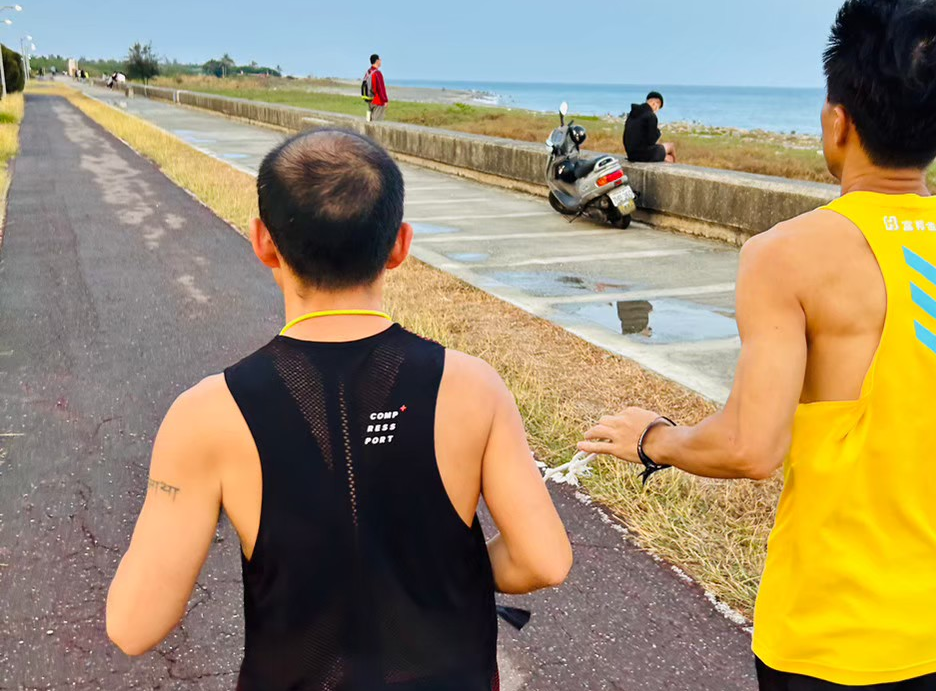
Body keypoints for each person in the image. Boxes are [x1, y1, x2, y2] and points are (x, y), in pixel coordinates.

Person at [580, 0, 936, 690]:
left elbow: (749, 447)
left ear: (837, 121)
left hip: (822, 639)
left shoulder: (786, 255)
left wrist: (654, 437)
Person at [107, 128, 573, 689]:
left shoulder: (207, 413)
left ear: (263, 243)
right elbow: (544, 560)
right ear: (399, 246)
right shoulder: (474, 387)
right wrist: (448, 570)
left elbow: (133, 626)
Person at [622, 91, 676, 163]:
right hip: (643, 154)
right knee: (671, 146)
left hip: (631, 155)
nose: (656, 110)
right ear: (654, 103)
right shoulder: (651, 116)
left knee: (666, 158)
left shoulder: (632, 113)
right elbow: (651, 140)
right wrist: (658, 132)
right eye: (658, 107)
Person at [361, 54, 389, 122]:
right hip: (378, 101)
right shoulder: (377, 73)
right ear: (377, 61)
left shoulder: (368, 72)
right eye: (380, 59)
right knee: (377, 122)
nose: (381, 61)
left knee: (370, 120)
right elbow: (381, 88)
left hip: (370, 100)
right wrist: (385, 100)